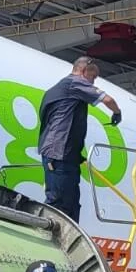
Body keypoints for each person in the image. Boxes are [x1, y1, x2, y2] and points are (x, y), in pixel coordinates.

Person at [38, 56, 122, 224]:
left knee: (70, 204)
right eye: (93, 77)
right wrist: (117, 113)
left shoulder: (56, 90)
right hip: (59, 153)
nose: (93, 82)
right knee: (59, 203)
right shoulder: (74, 83)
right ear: (84, 71)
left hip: (64, 154)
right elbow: (108, 100)